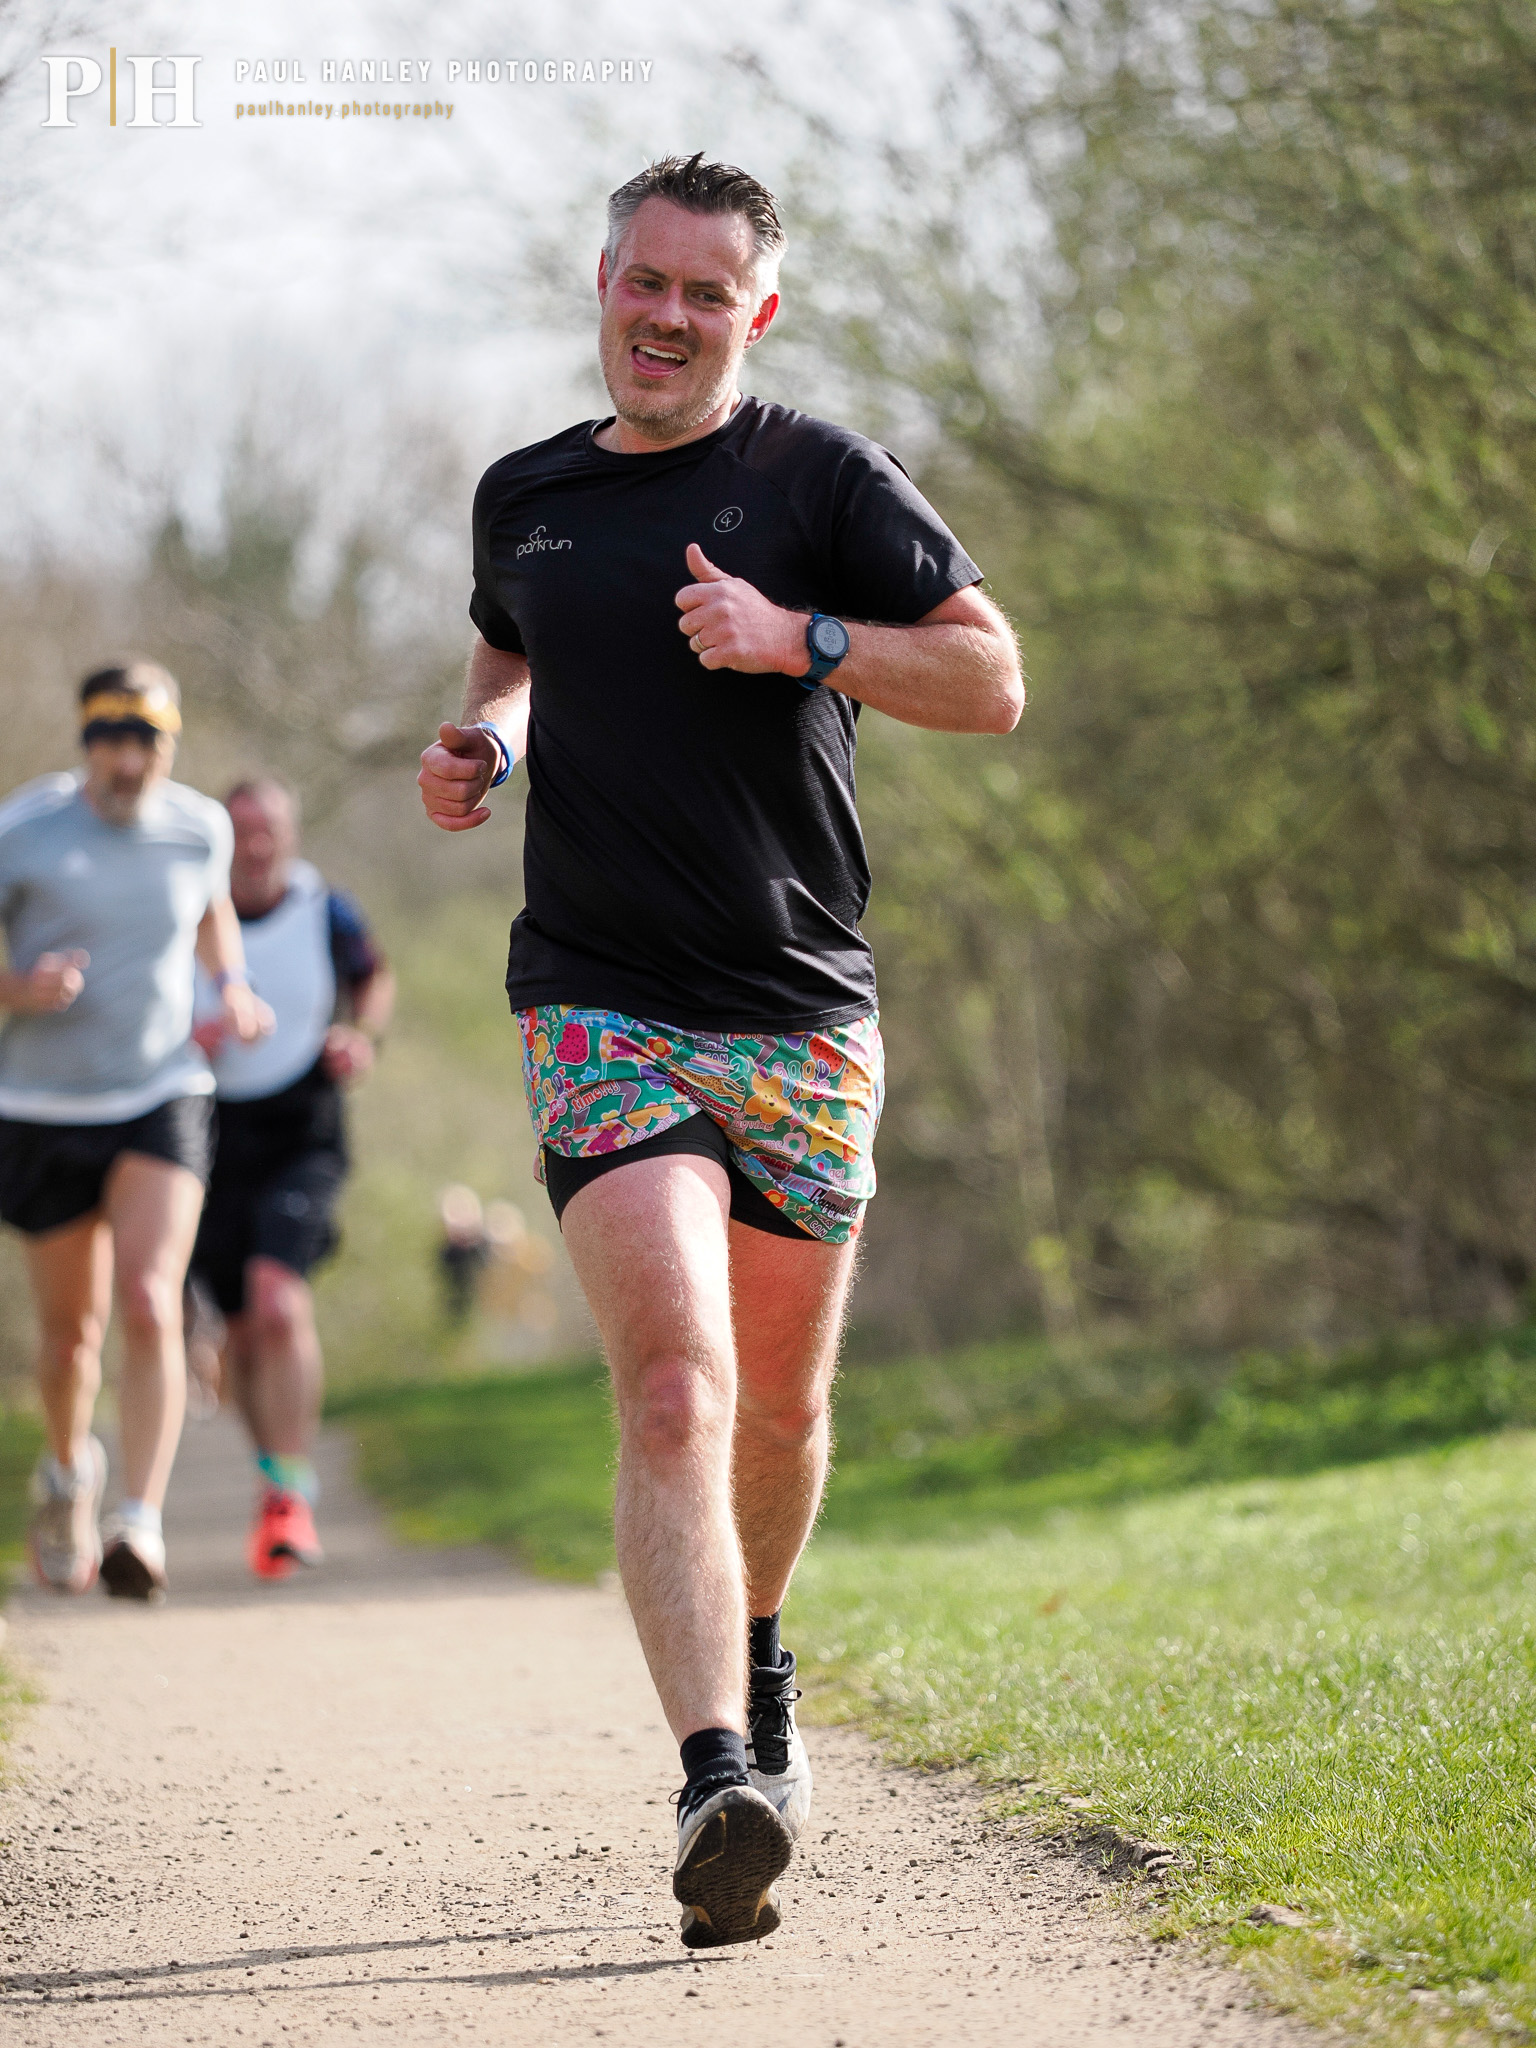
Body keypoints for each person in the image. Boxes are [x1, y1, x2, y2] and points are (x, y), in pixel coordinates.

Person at [417, 154, 1023, 1948]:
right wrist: (488, 751)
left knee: (780, 1405)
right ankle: (714, 1779)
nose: (666, 316)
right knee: (673, 1386)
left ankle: (758, 1665)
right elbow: (506, 669)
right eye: (644, 281)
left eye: (706, 293)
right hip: (596, 996)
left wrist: (802, 641)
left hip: (803, 1006)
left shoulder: (818, 478)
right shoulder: (524, 495)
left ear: (753, 313)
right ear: (600, 278)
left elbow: (991, 679)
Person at [0, 661, 267, 1601]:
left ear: (169, 743)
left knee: (154, 1301)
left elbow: (210, 913)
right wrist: (19, 990)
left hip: (162, 1092)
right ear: (86, 743)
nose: (126, 760)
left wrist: (230, 984)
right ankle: (69, 1472)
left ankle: (139, 1523)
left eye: (144, 741)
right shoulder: (24, 829)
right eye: (109, 740)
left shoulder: (200, 825)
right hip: (41, 1107)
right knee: (72, 1338)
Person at [187, 776, 393, 1580]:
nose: (256, 844)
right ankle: (273, 1475)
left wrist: (358, 1032)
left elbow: (373, 976)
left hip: (303, 1126)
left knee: (278, 1295)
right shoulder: (193, 913)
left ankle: (292, 1490)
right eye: (241, 831)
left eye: (268, 828)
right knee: (238, 1327)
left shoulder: (327, 909)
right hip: (208, 1129)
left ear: (291, 834)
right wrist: (184, 1031)